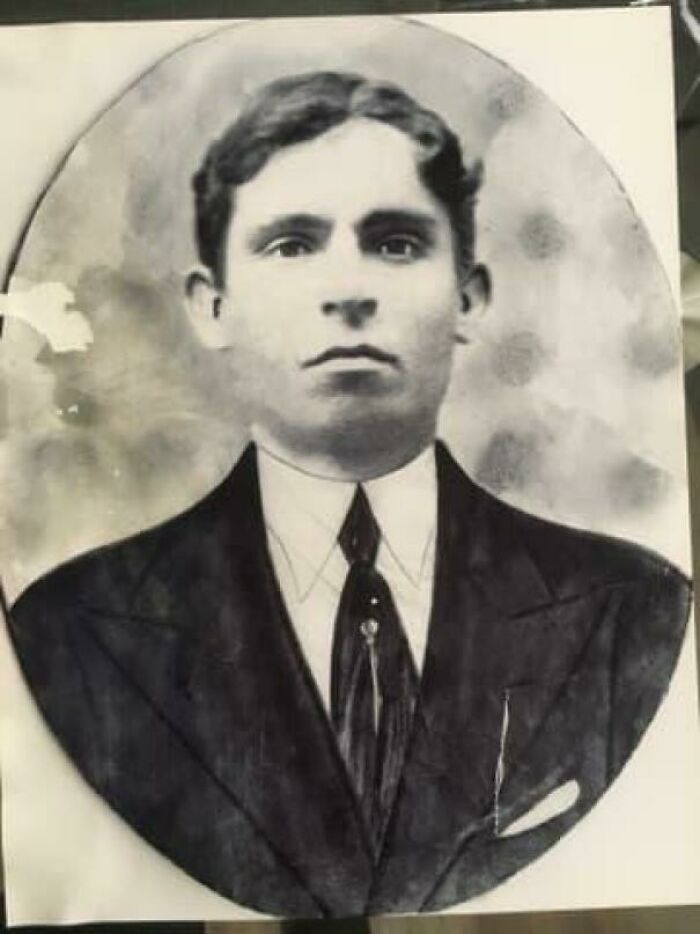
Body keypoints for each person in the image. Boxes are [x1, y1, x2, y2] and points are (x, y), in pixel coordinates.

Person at [8, 71, 691, 919]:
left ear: (467, 296)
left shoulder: (635, 611)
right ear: (212, 306)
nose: (348, 290)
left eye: (395, 243)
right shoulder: (73, 630)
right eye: (292, 245)